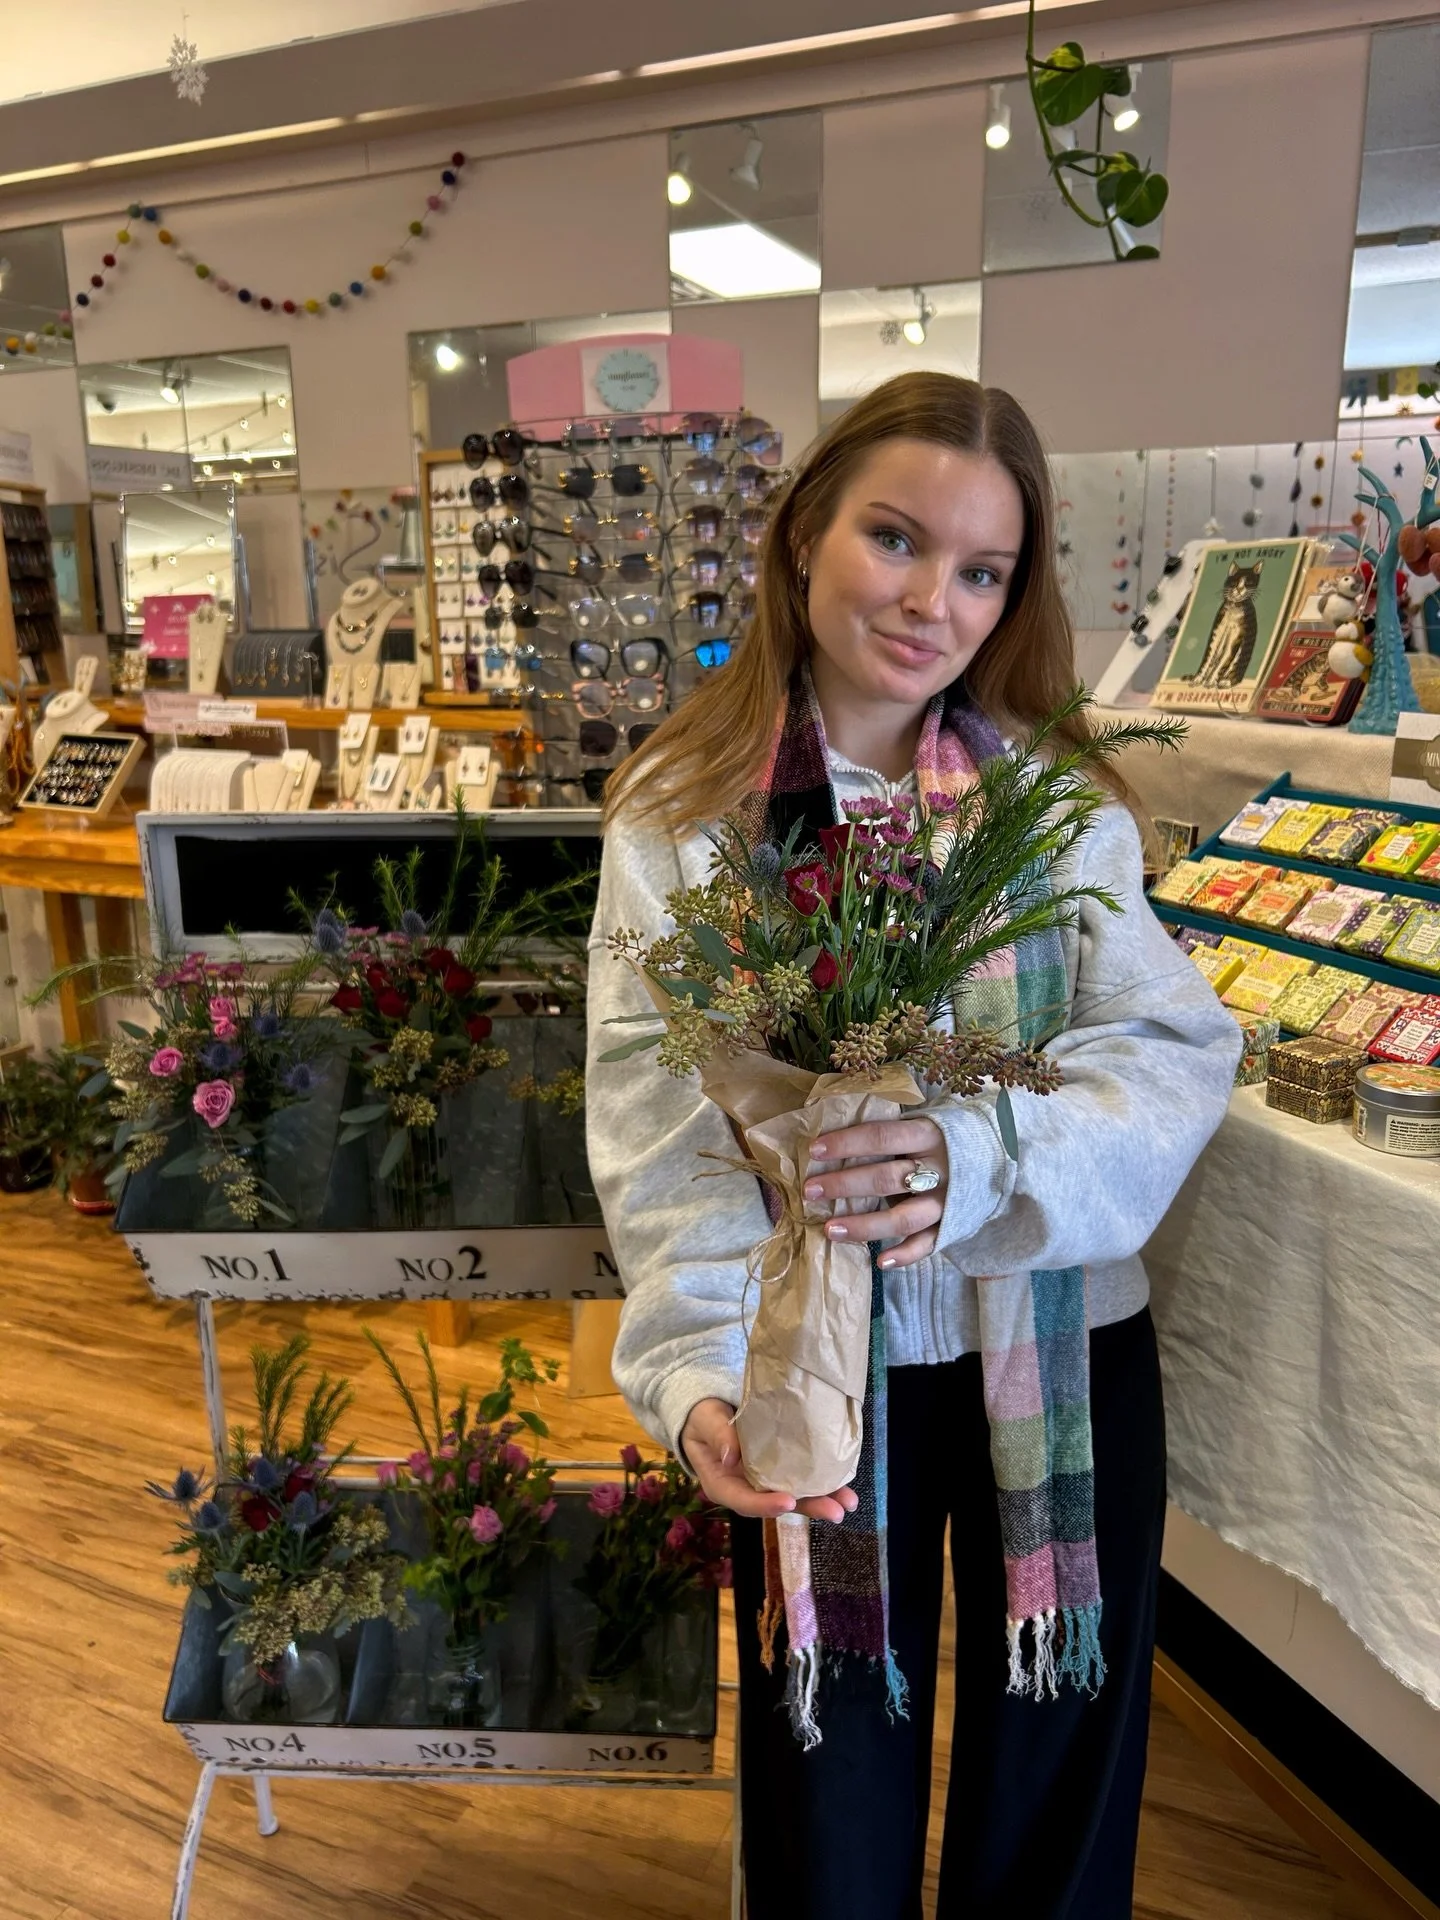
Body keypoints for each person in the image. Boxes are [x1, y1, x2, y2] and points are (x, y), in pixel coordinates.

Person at [585, 372, 1240, 1920]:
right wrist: (688, 1370)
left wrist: (984, 1156)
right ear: (806, 529)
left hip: (1058, 1348)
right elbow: (658, 1123)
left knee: (1059, 1777)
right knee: (833, 1801)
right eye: (894, 538)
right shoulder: (683, 821)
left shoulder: (1055, 808)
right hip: (811, 1363)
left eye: (981, 569)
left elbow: (1169, 1050)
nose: (929, 599)